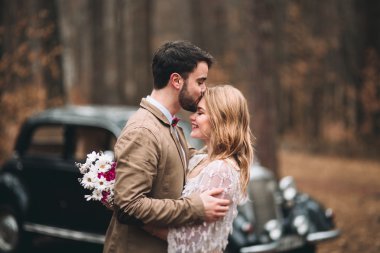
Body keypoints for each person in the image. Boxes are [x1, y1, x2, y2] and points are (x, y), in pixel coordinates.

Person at [103, 41, 231, 253]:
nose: (204, 89)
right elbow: (128, 205)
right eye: (200, 81)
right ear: (176, 80)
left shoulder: (169, 126)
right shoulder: (143, 131)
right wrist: (196, 207)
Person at [147, 85, 254, 253]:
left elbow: (191, 242)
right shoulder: (200, 159)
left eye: (200, 113)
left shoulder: (220, 170)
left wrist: (140, 220)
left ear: (221, 119)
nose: (192, 117)